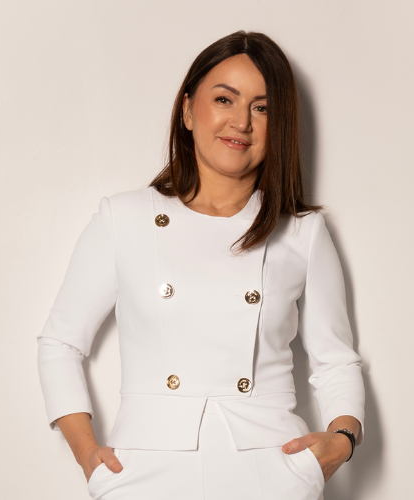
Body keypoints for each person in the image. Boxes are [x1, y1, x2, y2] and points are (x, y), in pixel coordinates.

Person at [36, 30, 365, 500]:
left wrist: (342, 440)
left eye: (262, 108)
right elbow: (60, 342)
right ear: (188, 110)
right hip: (146, 465)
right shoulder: (123, 218)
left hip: (270, 468)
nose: (241, 122)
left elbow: (335, 360)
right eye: (224, 99)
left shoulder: (302, 231)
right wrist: (87, 455)